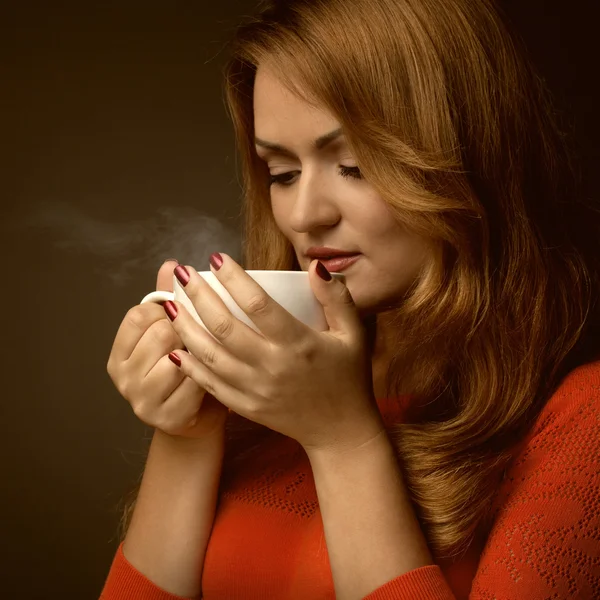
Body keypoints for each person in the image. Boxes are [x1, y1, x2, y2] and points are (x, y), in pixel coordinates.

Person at [100, 0, 600, 598]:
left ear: (470, 159)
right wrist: (189, 434)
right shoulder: (261, 390)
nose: (306, 216)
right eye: (282, 174)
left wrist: (343, 440)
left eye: (354, 166)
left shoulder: (581, 419)